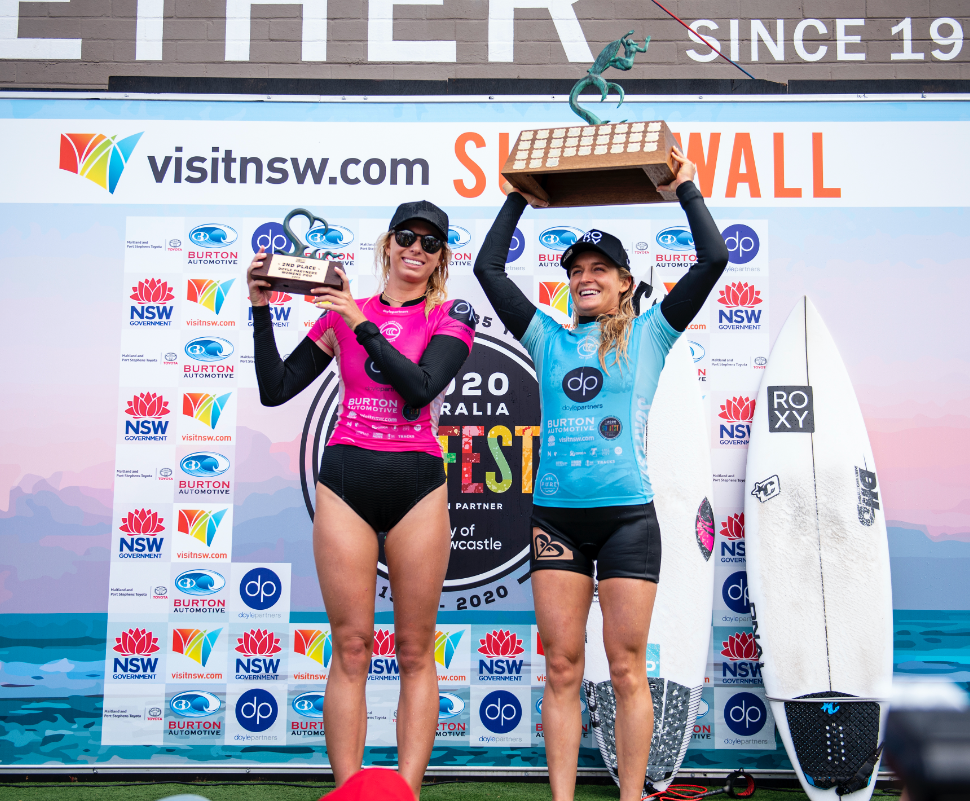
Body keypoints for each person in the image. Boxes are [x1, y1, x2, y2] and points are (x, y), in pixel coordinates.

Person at [472, 148, 729, 801]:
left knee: (626, 669)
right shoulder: (546, 339)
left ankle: (631, 798)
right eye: (576, 271)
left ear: (624, 283)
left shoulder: (652, 334)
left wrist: (686, 189)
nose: (585, 278)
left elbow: (713, 260)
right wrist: (521, 195)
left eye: (599, 270)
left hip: (626, 522)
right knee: (562, 668)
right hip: (556, 521)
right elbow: (488, 268)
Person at [248, 201, 477, 799]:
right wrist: (260, 309)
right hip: (346, 477)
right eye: (407, 236)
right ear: (389, 243)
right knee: (351, 647)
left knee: (414, 650)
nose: (416, 248)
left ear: (441, 257)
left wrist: (359, 320)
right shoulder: (343, 314)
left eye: (431, 242)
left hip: (417, 482)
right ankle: (348, 791)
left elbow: (419, 387)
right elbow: (275, 389)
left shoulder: (450, 314)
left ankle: (406, 792)